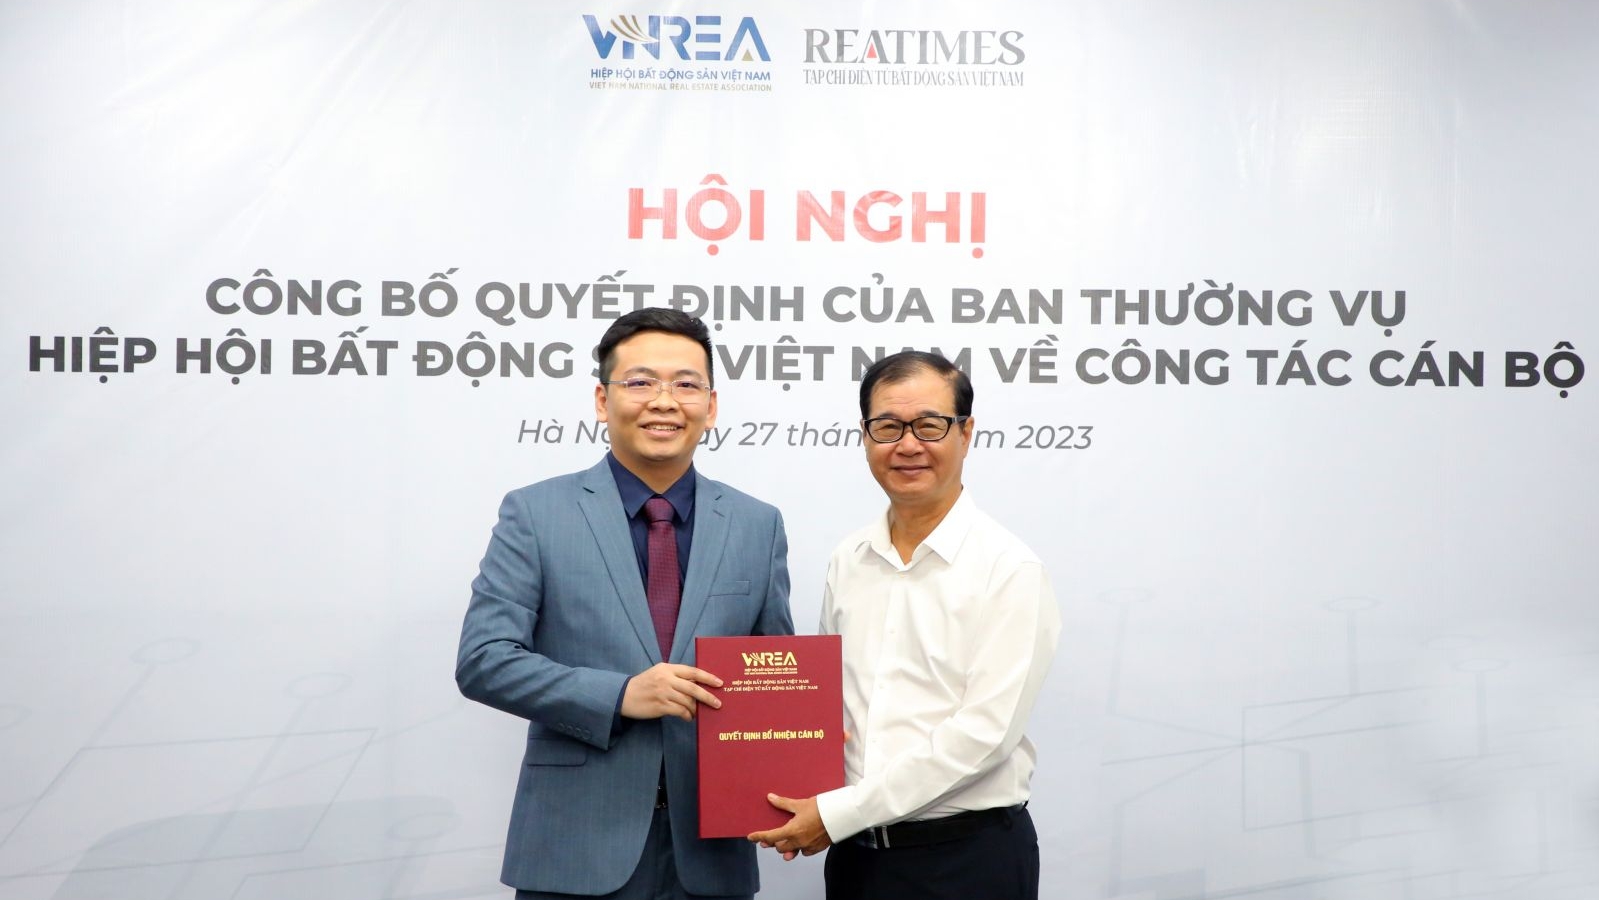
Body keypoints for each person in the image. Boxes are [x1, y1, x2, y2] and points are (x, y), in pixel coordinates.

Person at [457, 307, 793, 899]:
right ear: (601, 399)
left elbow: (775, 677)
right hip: (576, 847)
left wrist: (804, 741)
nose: (664, 401)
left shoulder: (756, 524)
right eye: (640, 382)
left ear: (711, 406)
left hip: (712, 853)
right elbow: (485, 660)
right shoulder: (535, 513)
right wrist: (619, 695)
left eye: (686, 384)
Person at [749, 350, 1060, 900]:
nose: (908, 445)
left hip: (966, 861)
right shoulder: (849, 559)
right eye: (888, 427)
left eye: (929, 425)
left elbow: (983, 737)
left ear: (966, 434)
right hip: (857, 860)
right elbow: (832, 709)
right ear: (865, 436)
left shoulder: (1009, 568)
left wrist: (839, 812)